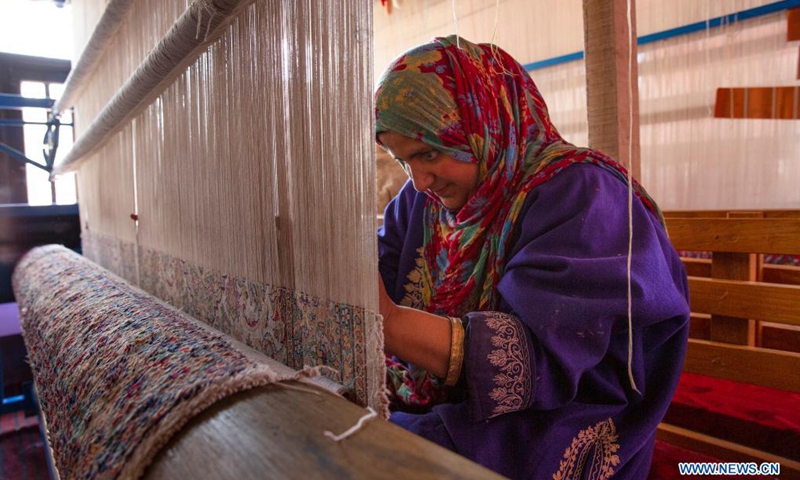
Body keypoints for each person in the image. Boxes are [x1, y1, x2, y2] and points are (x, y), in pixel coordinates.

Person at [376, 35, 690, 480]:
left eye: (429, 153)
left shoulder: (583, 195)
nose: (419, 179)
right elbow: (377, 271)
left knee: (382, 452)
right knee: (337, 416)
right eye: (402, 160)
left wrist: (388, 320)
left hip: (567, 414)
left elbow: (536, 360)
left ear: (486, 121)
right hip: (457, 402)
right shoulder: (421, 202)